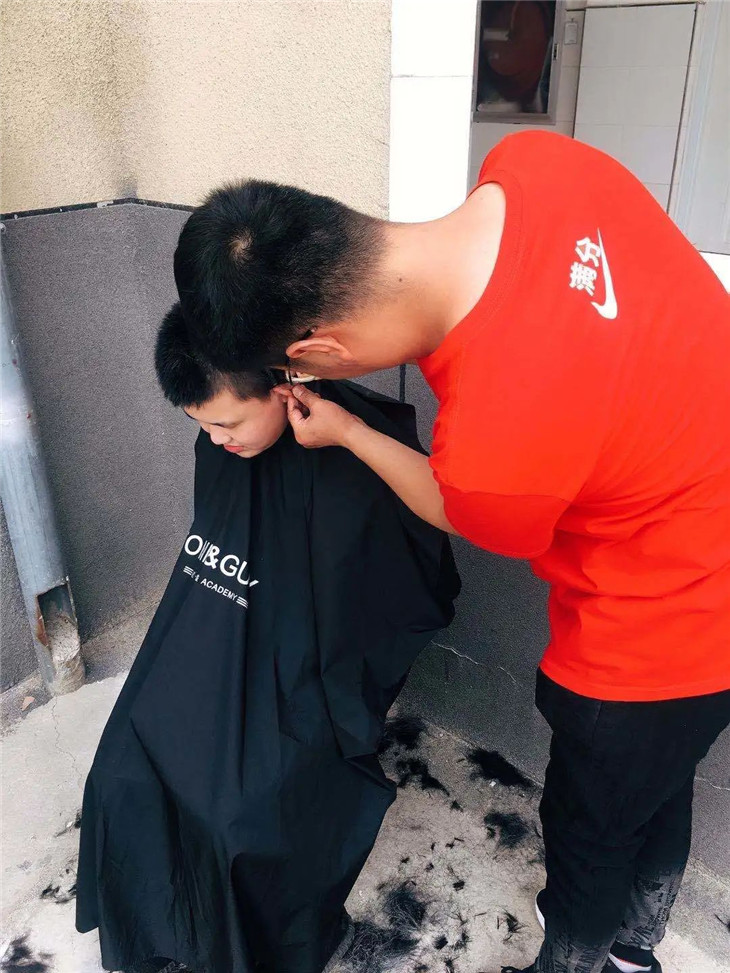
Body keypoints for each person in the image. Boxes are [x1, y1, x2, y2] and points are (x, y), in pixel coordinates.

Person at [171, 130, 730, 973]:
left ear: (318, 354)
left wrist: (349, 431)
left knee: (594, 827)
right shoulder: (541, 162)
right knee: (657, 781)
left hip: (663, 629)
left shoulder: (494, 450)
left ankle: (588, 957)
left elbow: (462, 504)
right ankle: (635, 939)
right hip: (705, 537)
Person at [75, 304, 459, 973]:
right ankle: (160, 930)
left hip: (306, 675)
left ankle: (265, 942)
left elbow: (402, 583)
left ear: (285, 386)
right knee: (120, 770)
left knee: (237, 817)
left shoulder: (352, 462)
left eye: (227, 423)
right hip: (222, 647)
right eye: (202, 426)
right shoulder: (225, 446)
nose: (216, 440)